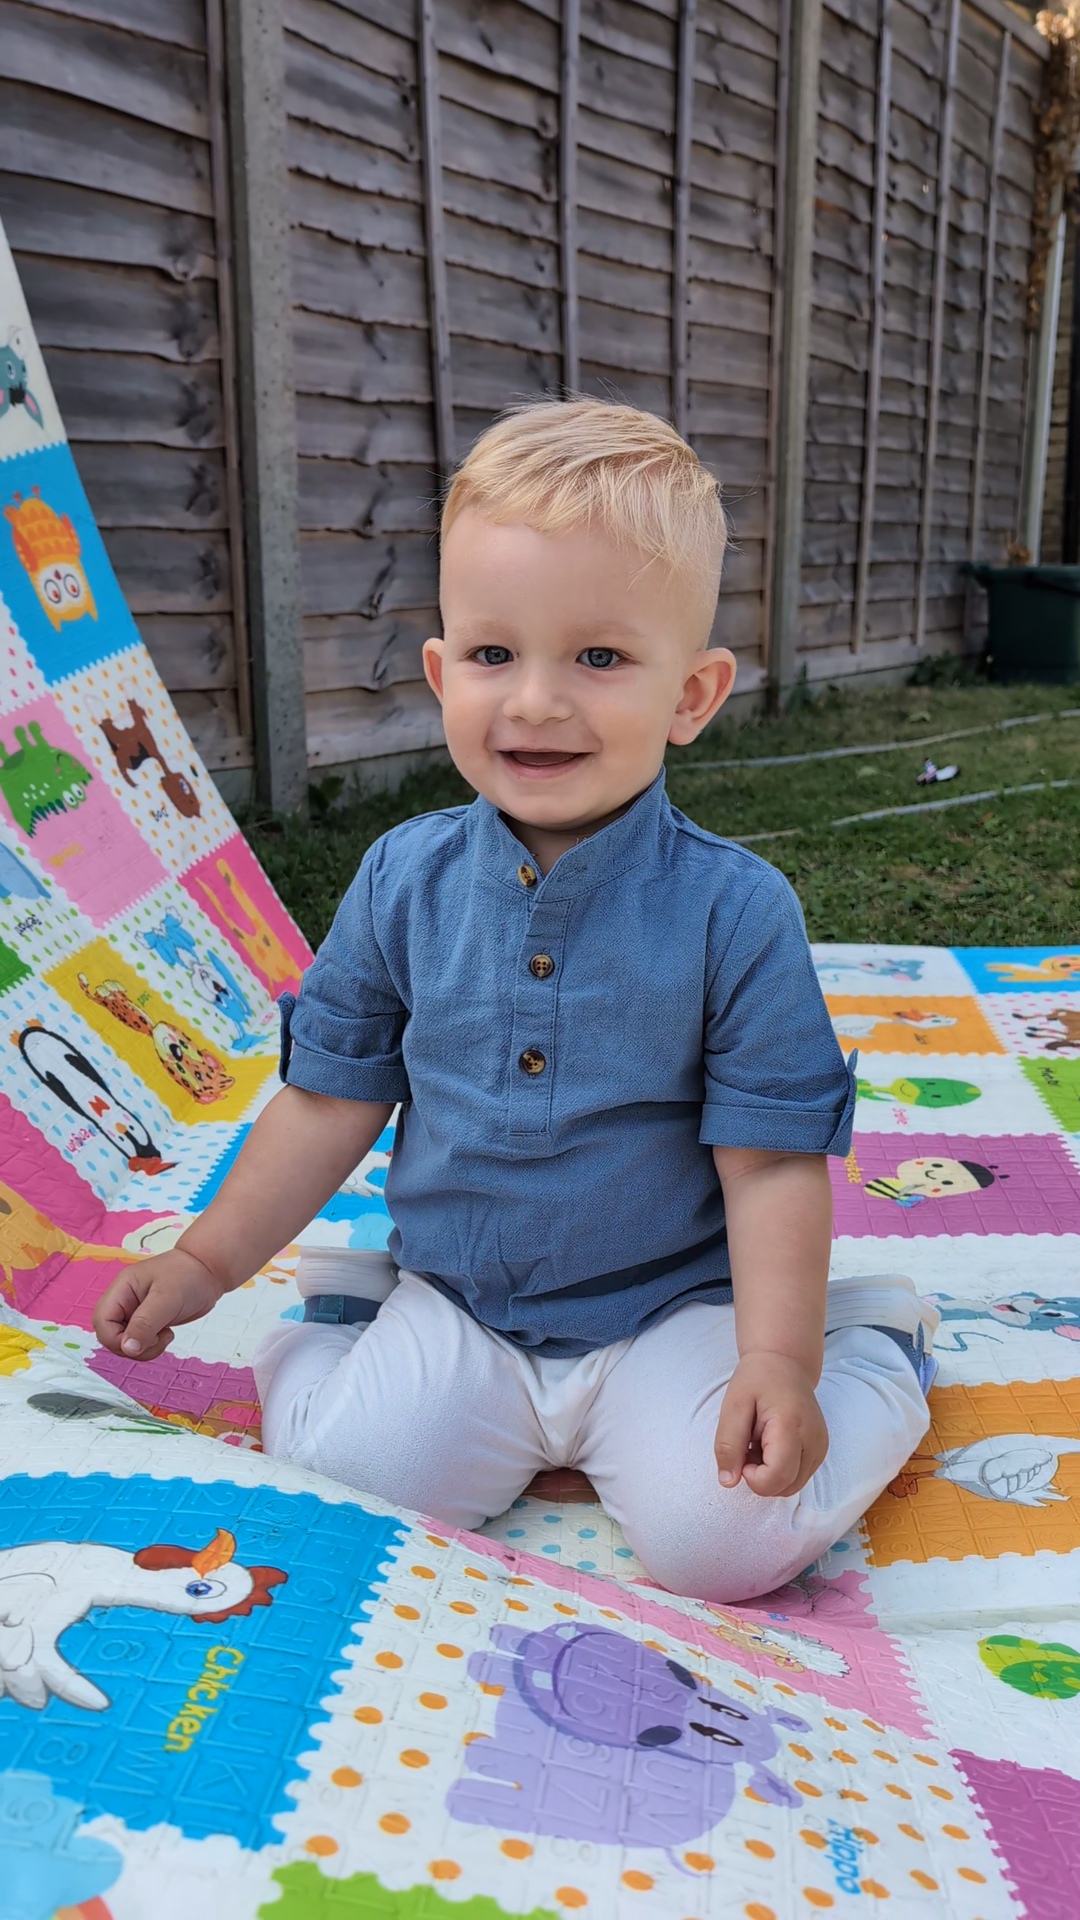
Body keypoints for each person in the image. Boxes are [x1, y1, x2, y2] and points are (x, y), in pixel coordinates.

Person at [93, 399, 937, 1603]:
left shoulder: (736, 912)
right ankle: (347, 1315)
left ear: (692, 695)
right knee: (346, 1480)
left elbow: (770, 1165)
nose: (535, 701)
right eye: (494, 655)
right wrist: (203, 1266)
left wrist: (778, 1358)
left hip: (671, 1309)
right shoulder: (400, 880)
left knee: (726, 1548)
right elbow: (328, 1104)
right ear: (442, 672)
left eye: (598, 658)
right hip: (466, 1301)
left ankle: (873, 1353)